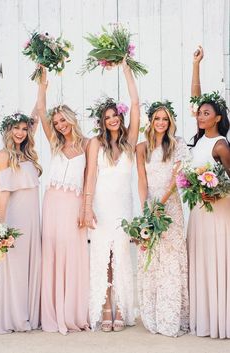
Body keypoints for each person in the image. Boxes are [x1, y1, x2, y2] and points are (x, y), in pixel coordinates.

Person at [84, 58, 139, 332]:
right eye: (107, 117)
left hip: (123, 207)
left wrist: (126, 69)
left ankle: (120, 307)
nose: (112, 119)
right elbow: (91, 176)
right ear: (102, 122)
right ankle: (106, 307)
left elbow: (137, 104)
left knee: (120, 256)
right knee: (103, 259)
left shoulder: (130, 142)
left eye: (115, 114)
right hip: (102, 206)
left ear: (121, 115)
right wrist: (86, 207)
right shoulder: (95, 143)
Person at [37, 68, 90, 335]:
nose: (59, 125)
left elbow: (91, 179)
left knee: (73, 254)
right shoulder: (54, 143)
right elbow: (41, 110)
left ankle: (71, 312)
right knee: (53, 252)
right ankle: (52, 311)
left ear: (71, 119)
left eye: (62, 120)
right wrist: (43, 85)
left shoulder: (88, 144)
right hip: (52, 203)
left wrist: (86, 207)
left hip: (74, 204)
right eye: (56, 122)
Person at [136, 101, 189, 337]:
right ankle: (152, 314)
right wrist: (145, 209)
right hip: (150, 207)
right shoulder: (141, 147)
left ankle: (172, 316)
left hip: (171, 207)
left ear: (170, 122)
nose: (160, 123)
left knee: (170, 258)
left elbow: (176, 179)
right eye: (157, 118)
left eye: (164, 119)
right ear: (150, 120)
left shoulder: (177, 145)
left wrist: (161, 204)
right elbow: (141, 180)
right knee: (152, 258)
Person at [188, 46, 230, 339]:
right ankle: (204, 319)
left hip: (216, 212)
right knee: (201, 262)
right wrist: (196, 64)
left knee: (216, 263)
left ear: (217, 118)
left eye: (206, 113)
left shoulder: (221, 145)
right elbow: (195, 96)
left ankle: (220, 320)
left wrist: (216, 195)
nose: (200, 115)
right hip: (198, 212)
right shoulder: (201, 138)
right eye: (200, 113)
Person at [0, 109, 42, 334]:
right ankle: (14, 318)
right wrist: (1, 226)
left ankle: (30, 315)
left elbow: (37, 114)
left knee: (31, 266)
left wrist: (42, 83)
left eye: (24, 129)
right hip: (15, 218)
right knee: (15, 268)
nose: (21, 132)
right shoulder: (3, 155)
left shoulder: (29, 154)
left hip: (33, 218)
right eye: (16, 128)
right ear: (8, 129)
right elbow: (3, 192)